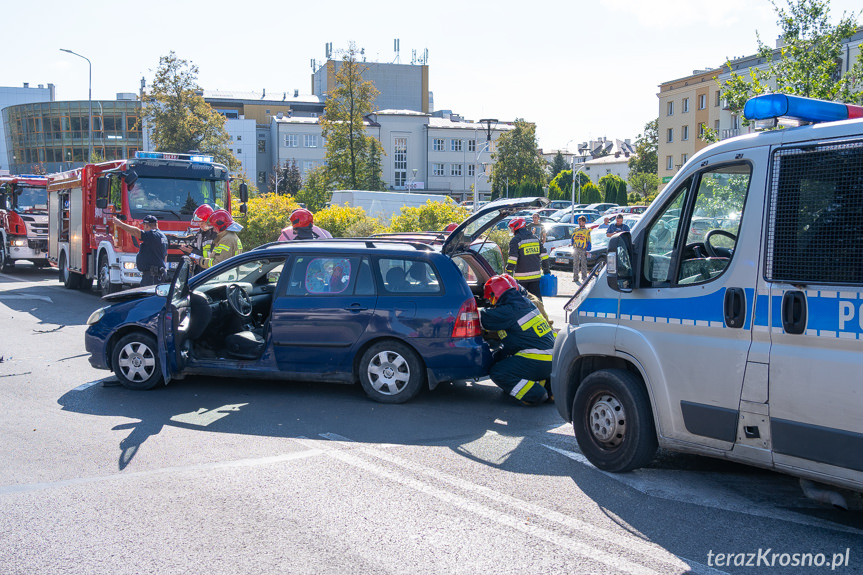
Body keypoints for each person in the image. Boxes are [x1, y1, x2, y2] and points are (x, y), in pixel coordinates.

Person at [480, 274, 555, 406]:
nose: (490, 302)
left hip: (537, 359)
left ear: (494, 295)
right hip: (552, 359)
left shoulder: (508, 310)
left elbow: (483, 318)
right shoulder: (527, 303)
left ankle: (536, 394)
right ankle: (549, 389)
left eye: (490, 299)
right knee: (503, 356)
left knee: (498, 372)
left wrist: (473, 307)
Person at [112, 214, 168, 287]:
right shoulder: (162, 236)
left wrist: (120, 224)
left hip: (152, 276)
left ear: (147, 225)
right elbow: (165, 256)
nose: (144, 228)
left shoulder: (152, 235)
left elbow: (136, 232)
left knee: (148, 296)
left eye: (144, 226)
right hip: (155, 275)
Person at [505, 217, 550, 300]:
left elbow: (513, 258)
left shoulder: (516, 240)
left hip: (521, 277)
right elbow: (544, 255)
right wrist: (546, 269)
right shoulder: (535, 238)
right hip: (535, 276)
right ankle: (540, 312)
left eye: (512, 228)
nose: (511, 230)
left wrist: (508, 271)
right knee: (537, 300)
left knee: (522, 301)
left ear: (517, 227)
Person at [179, 204, 218, 275]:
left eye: (202, 223)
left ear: (209, 221)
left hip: (209, 271)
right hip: (198, 269)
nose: (200, 225)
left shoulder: (215, 234)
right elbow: (195, 248)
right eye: (199, 223)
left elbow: (213, 256)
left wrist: (194, 251)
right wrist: (187, 249)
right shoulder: (200, 233)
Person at [571, 215, 593, 283]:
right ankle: (575, 278)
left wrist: (588, 248)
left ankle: (584, 277)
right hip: (576, 247)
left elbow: (589, 240)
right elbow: (572, 238)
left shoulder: (587, 231)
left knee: (583, 263)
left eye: (580, 221)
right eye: (578, 221)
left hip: (583, 248)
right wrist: (572, 243)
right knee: (575, 263)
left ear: (584, 222)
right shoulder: (576, 229)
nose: (579, 223)